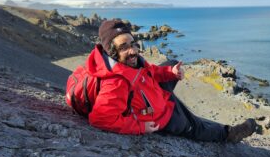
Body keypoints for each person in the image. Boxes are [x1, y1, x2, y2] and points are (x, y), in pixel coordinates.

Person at [86, 19, 256, 142]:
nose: (132, 51)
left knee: (172, 64)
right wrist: (140, 127)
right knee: (194, 126)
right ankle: (228, 134)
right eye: (123, 47)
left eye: (133, 43)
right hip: (154, 115)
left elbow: (150, 72)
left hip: (147, 95)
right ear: (111, 51)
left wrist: (171, 72)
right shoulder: (115, 83)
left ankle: (173, 100)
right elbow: (100, 119)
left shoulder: (132, 63)